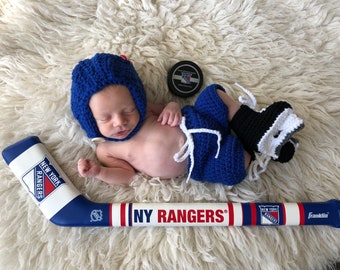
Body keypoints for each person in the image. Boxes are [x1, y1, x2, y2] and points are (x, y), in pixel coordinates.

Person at [70, 53, 304, 186]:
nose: (119, 121)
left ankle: (254, 127)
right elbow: (127, 175)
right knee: (236, 167)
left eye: (127, 110)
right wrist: (99, 172)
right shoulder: (107, 150)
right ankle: (266, 146)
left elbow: (168, 106)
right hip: (198, 160)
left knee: (214, 95)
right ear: (90, 120)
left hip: (196, 121)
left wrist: (172, 107)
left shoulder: (144, 110)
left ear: (137, 101)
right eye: (106, 118)